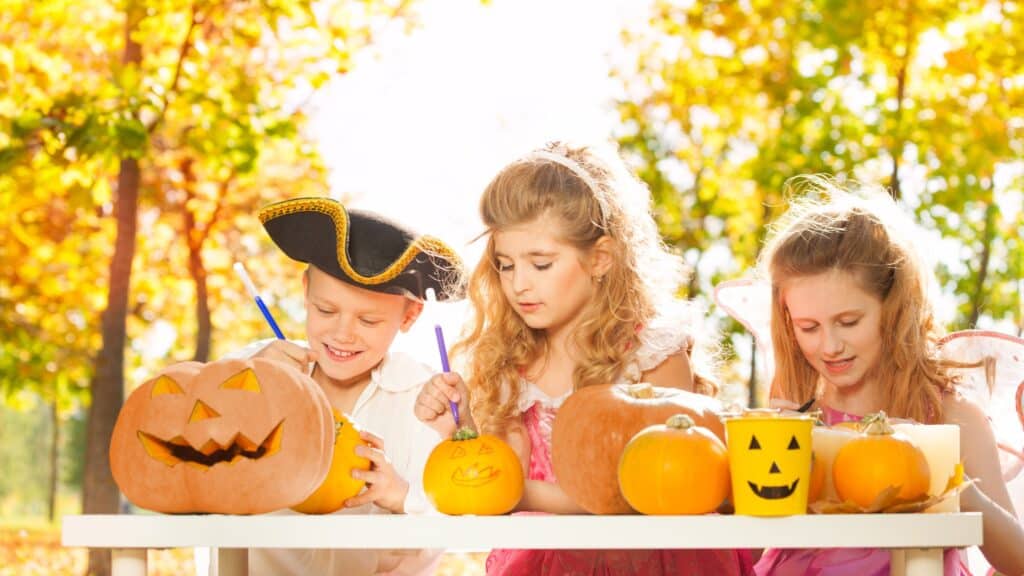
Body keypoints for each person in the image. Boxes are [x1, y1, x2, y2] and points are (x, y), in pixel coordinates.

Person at [415, 141, 753, 575]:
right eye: (505, 265)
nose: (519, 285)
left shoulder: (650, 352)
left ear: (600, 258)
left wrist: (513, 492)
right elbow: (496, 487)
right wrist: (461, 434)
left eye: (541, 264)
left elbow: (661, 488)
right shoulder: (511, 361)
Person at [754, 178, 1024, 575]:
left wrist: (960, 489)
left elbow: (1016, 560)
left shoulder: (946, 416)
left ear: (893, 309)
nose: (829, 345)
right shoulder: (797, 418)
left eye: (848, 321)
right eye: (808, 327)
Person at [237, 197, 466, 575]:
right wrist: (243, 393)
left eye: (369, 321)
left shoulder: (427, 401)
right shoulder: (252, 369)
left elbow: (460, 514)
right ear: (305, 290)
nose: (342, 334)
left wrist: (401, 496)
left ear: (409, 315)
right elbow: (192, 463)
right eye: (326, 310)